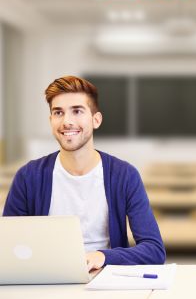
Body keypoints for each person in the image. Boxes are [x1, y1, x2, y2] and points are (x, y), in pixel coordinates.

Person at [3, 76, 166, 271]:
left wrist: (103, 256)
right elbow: (8, 247)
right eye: (58, 113)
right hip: (46, 281)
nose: (67, 121)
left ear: (96, 120)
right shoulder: (29, 177)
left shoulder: (124, 175)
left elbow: (154, 250)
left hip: (105, 278)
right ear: (51, 120)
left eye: (77, 111)